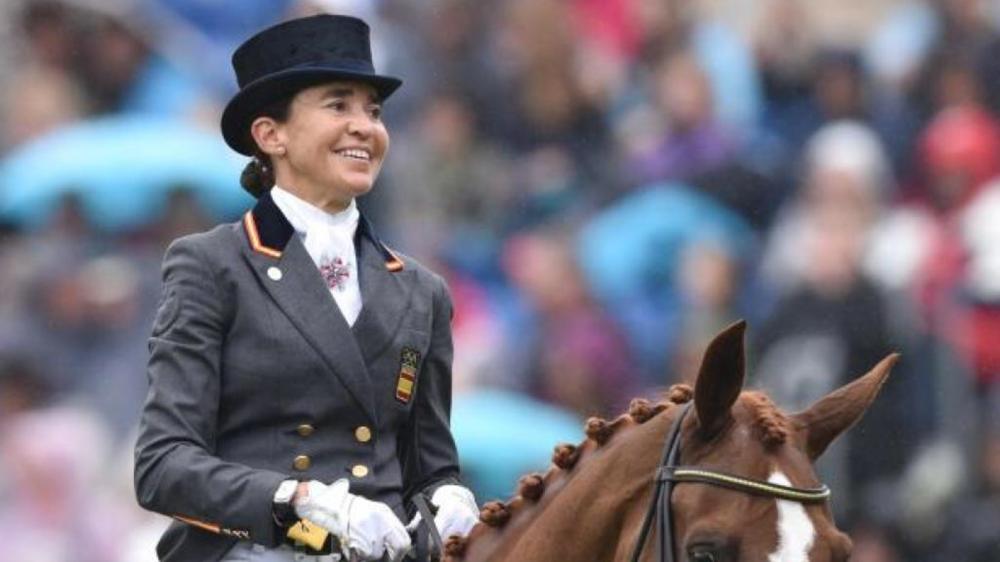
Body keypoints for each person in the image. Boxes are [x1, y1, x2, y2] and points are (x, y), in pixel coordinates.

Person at [134, 14, 479, 562]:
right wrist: (296, 502)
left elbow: (428, 466)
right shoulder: (212, 265)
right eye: (339, 105)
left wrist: (447, 496)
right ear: (271, 135)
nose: (365, 126)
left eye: (373, 110)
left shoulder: (422, 292)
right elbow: (162, 465)